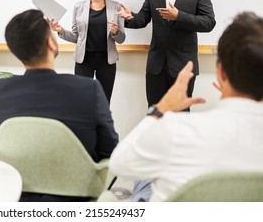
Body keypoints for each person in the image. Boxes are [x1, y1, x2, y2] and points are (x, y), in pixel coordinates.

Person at [109, 11, 263, 202]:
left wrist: (160, 109)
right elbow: (142, 18)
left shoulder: (175, 129)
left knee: (148, 176)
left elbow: (119, 164)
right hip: (159, 64)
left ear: (221, 72)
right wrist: (129, 17)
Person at [0, 9, 119, 201]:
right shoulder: (89, 90)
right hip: (76, 201)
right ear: (50, 43)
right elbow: (110, 151)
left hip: (17, 199)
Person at [117, 0, 216, 110]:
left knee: (180, 113)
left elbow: (208, 22)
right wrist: (130, 17)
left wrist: (179, 16)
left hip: (183, 66)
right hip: (156, 66)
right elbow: (142, 19)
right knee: (154, 111)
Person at [51, 0, 126, 103]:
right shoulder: (79, 7)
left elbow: (121, 39)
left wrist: (115, 32)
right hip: (83, 62)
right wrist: (61, 30)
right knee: (82, 101)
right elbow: (76, 37)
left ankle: (101, 125)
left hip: (106, 62)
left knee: (104, 102)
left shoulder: (116, 7)